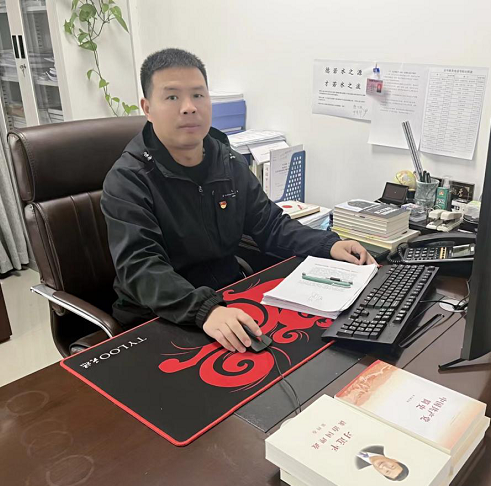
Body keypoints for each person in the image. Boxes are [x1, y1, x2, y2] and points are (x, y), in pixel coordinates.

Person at [101, 48, 375, 354]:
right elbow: (141, 267)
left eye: (198, 95)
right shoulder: (128, 179)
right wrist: (205, 310)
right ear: (148, 108)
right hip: (156, 317)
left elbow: (270, 224)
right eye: (172, 97)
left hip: (226, 301)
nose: (189, 108)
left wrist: (328, 245)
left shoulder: (227, 161)